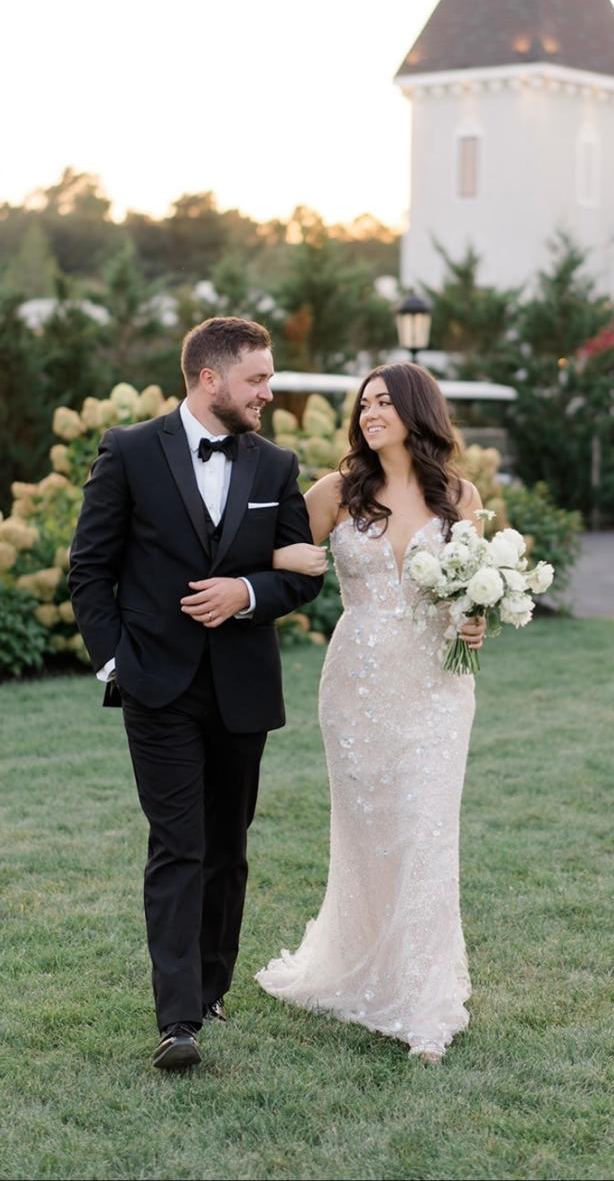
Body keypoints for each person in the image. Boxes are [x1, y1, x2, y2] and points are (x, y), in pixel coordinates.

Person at [68, 316, 323, 1072]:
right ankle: (177, 1021)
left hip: (242, 689)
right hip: (158, 685)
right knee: (178, 845)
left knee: (227, 847)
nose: (268, 393)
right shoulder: (130, 451)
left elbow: (303, 572)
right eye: (257, 380)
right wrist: (117, 662)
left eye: (268, 380)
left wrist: (246, 590)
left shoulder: (276, 465)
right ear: (210, 378)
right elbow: (90, 568)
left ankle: (212, 986)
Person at [257, 362, 485, 1062]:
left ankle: (423, 1002)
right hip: (356, 684)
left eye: (384, 403)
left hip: (436, 688)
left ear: (418, 412)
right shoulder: (335, 491)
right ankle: (364, 967)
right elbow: (269, 552)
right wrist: (298, 557)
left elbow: (469, 590)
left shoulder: (459, 495)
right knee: (368, 835)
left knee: (425, 828)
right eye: (365, 404)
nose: (369, 413)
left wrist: (477, 621)